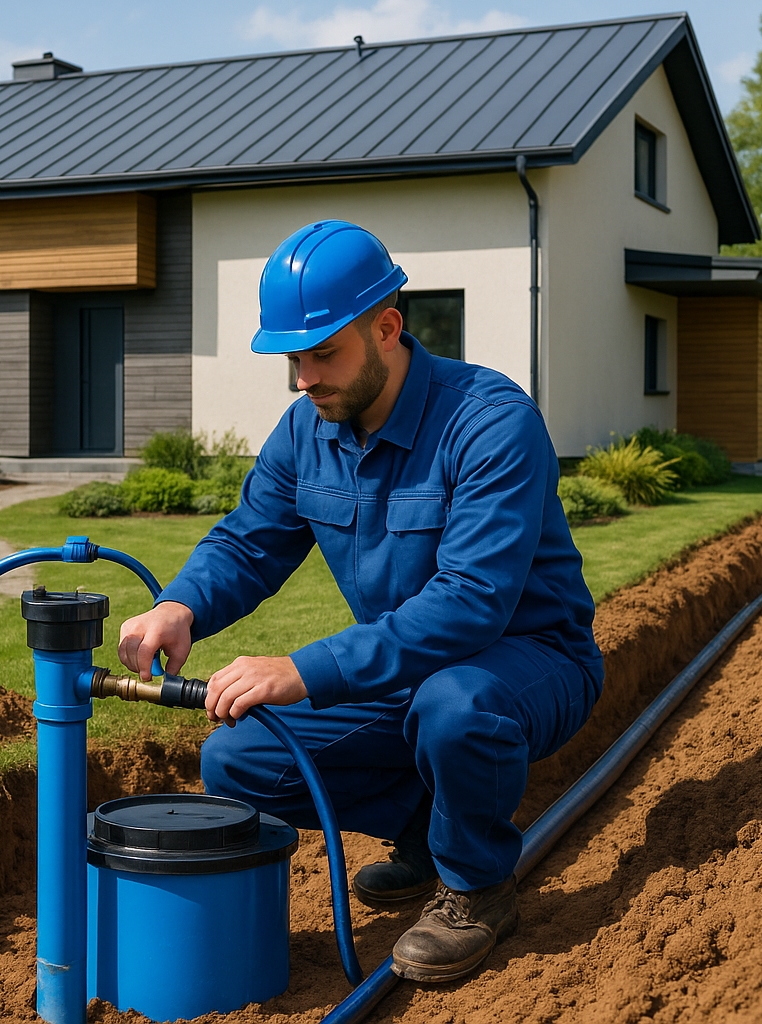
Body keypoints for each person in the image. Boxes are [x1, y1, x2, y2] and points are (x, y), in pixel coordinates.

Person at [117, 220, 603, 983]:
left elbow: (472, 602)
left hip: (528, 660)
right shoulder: (309, 427)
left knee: (456, 707)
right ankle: (426, 832)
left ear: (387, 327)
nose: (304, 377)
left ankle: (476, 887)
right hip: (405, 669)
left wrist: (305, 669)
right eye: (293, 358)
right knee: (239, 758)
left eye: (323, 353)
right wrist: (182, 605)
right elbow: (250, 541)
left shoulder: (488, 421)